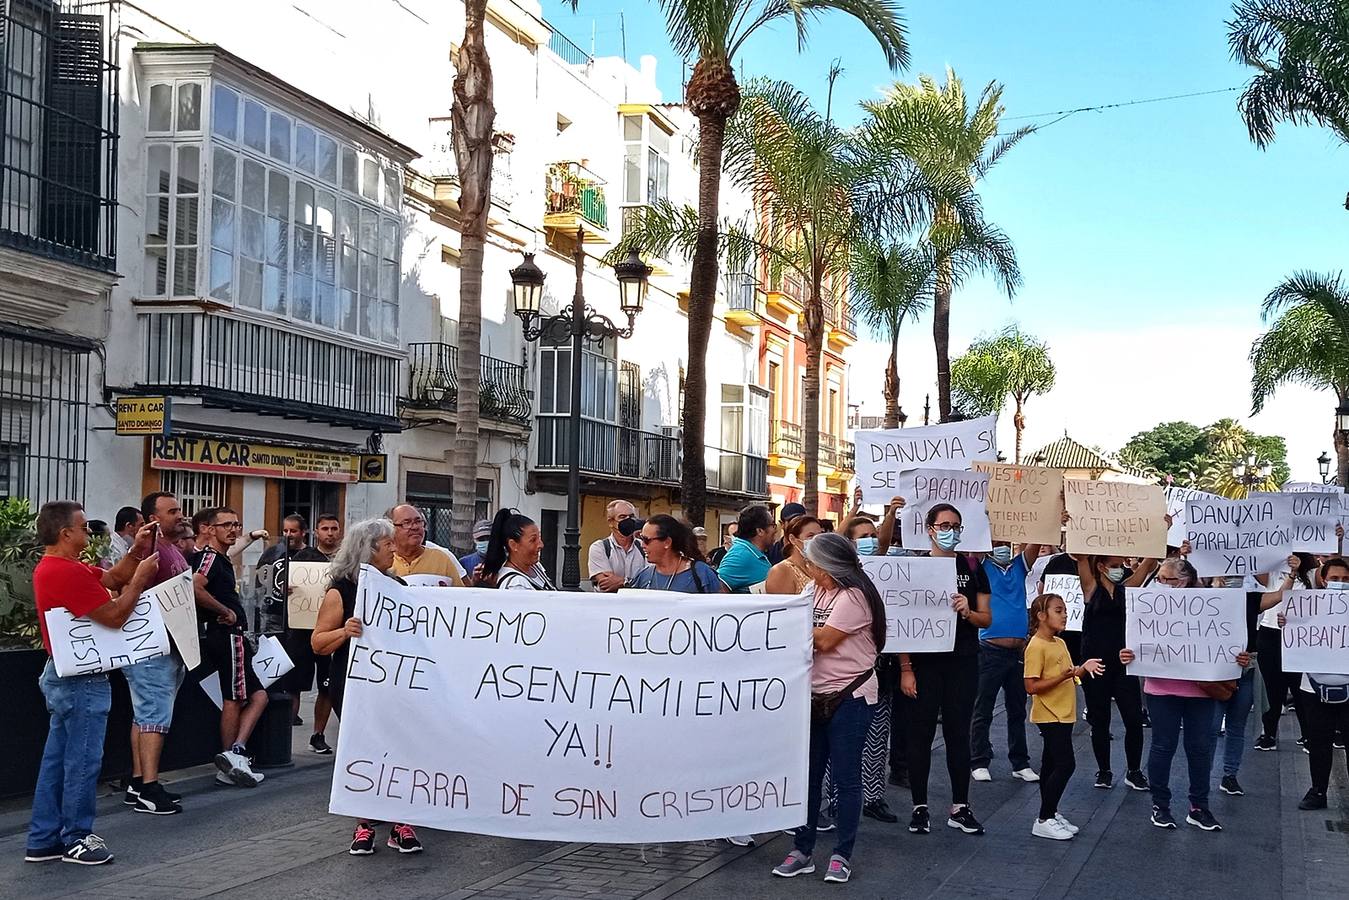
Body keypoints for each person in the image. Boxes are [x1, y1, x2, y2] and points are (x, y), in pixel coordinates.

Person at [24, 502, 158, 866]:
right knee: (82, 760)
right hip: (83, 678)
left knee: (57, 759)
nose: (88, 533)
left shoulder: (60, 568)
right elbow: (114, 614)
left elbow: (112, 579)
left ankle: (43, 837)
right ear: (66, 533)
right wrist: (142, 578)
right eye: (83, 528)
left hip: (64, 672)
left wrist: (135, 552)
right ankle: (77, 836)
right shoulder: (64, 572)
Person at [772, 533, 886, 885]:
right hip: (815, 694)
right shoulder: (817, 590)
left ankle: (841, 853)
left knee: (846, 777)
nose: (809, 567)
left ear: (830, 565)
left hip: (849, 696)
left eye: (813, 562)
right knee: (809, 775)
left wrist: (790, 625)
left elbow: (824, 639)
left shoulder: (854, 596)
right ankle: (802, 849)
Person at [312, 517, 423, 855]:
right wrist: (345, 632)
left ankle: (400, 822)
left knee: (398, 748)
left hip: (392, 683)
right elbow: (318, 643)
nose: (394, 548)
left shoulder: (396, 587)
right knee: (364, 751)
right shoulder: (341, 590)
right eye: (388, 544)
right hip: (355, 684)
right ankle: (364, 824)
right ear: (369, 549)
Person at [895, 501, 990, 836]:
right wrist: (906, 668)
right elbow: (901, 622)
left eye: (956, 526)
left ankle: (960, 807)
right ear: (930, 529)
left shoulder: (972, 567)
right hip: (924, 665)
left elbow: (986, 617)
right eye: (945, 526)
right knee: (919, 735)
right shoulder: (914, 567)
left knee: (958, 734)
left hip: (962, 661)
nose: (951, 532)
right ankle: (920, 807)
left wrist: (968, 612)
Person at [1120, 555, 1234, 832]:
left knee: (1199, 749)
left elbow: (1228, 640)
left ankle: (1199, 807)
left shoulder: (1211, 604)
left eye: (1164, 580)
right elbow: (1136, 638)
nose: (1158, 584)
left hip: (1201, 689)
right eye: (1158, 579)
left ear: (1183, 582)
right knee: (1163, 746)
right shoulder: (1149, 602)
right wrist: (1128, 655)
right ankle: (1161, 805)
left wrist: (1237, 657)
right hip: (1162, 687)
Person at [121, 491, 195, 816]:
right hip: (151, 647)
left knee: (145, 714)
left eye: (179, 509)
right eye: (172, 511)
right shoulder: (147, 549)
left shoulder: (168, 548)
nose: (180, 515)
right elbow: (126, 588)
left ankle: (139, 782)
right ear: (153, 517)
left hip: (170, 644)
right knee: (154, 716)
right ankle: (149, 788)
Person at [192, 507, 269, 789]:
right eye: (226, 525)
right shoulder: (210, 559)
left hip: (234, 635)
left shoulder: (221, 558)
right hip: (227, 635)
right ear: (210, 529)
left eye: (236, 524)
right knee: (234, 697)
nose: (233, 530)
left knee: (259, 695)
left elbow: (235, 548)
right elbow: (195, 586)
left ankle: (236, 751)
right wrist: (224, 610)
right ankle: (230, 757)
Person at [971, 534, 1051, 784]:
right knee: (983, 708)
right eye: (996, 542)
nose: (1001, 546)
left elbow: (1035, 543)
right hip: (990, 650)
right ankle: (979, 760)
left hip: (1017, 652)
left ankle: (1020, 762)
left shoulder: (1018, 566)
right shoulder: (982, 566)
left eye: (1005, 542)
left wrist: (1047, 519)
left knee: (1017, 709)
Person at [1024, 592, 1104, 840]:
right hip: (1050, 714)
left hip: (1064, 712)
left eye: (1065, 610)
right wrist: (1066, 676)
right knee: (1065, 764)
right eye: (1058, 610)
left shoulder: (1059, 643)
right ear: (1041, 616)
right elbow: (1031, 686)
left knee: (1050, 764)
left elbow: (1070, 673)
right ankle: (1044, 818)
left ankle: (1050, 812)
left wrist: (1083, 668)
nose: (1065, 615)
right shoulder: (1036, 646)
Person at [1074, 551, 1156, 791]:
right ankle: (1104, 771)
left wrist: (1162, 530)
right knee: (1100, 721)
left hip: (1123, 665)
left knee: (1133, 718)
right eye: (1114, 565)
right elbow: (1080, 559)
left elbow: (1148, 562)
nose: (1120, 569)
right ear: (1100, 566)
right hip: (1095, 665)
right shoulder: (1091, 589)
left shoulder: (1126, 590)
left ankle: (1134, 770)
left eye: (1121, 565)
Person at [1273, 557, 1349, 811]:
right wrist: (1288, 624)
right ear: (1324, 580)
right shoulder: (1306, 605)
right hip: (1313, 688)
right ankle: (1318, 791)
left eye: (1346, 580)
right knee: (1319, 743)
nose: (1340, 583)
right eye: (1335, 579)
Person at [283, 513, 341, 753]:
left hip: (332, 631)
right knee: (294, 684)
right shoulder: (303, 558)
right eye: (325, 528)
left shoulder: (346, 560)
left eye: (334, 528)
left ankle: (318, 734)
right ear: (316, 532)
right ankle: (283, 738)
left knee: (327, 685)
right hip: (302, 631)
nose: (330, 532)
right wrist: (288, 590)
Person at [1254, 553, 1315, 751]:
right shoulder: (1272, 571)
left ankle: (1308, 735)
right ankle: (1269, 734)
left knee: (1299, 688)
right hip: (1270, 634)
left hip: (1300, 637)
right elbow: (1253, 560)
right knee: (1272, 689)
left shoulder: (1313, 574)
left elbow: (1336, 569)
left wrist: (1338, 542)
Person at [630, 515, 725, 592]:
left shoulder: (702, 574)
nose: (642, 545)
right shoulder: (643, 576)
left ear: (667, 542)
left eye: (646, 540)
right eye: (641, 538)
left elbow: (720, 609)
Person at [387, 504, 465, 583]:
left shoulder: (441, 559)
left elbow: (459, 593)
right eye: (407, 523)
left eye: (418, 522)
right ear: (391, 528)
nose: (415, 527)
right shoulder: (384, 560)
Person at [483, 509, 557, 590]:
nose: (541, 545)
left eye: (539, 538)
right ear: (513, 545)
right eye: (533, 540)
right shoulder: (516, 584)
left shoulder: (535, 567)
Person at [587, 500, 646, 591]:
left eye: (631, 516)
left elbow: (650, 581)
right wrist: (636, 583)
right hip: (608, 603)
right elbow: (606, 584)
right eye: (622, 517)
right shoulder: (599, 548)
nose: (628, 520)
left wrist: (623, 582)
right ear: (611, 522)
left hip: (637, 603)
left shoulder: (644, 546)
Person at [719, 505, 775, 592]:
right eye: (772, 525)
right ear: (760, 531)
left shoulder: (752, 552)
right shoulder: (740, 555)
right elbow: (717, 586)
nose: (775, 530)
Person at [764, 515, 823, 594]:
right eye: (810, 536)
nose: (816, 540)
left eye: (819, 536)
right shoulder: (780, 571)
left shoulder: (821, 566)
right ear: (793, 539)